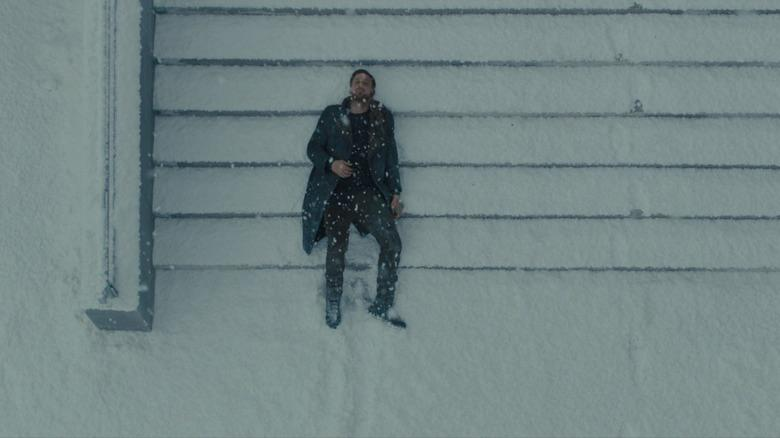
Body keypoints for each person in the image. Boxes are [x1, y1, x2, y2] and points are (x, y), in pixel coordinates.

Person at [302, 69, 404, 329]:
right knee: (336, 250)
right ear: (350, 87)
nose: (361, 86)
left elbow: (391, 157)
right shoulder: (332, 115)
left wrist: (395, 192)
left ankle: (383, 304)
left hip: (368, 194)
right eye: (357, 82)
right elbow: (312, 149)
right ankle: (332, 301)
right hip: (336, 192)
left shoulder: (382, 117)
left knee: (392, 242)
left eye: (366, 83)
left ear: (372, 91)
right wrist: (332, 163)